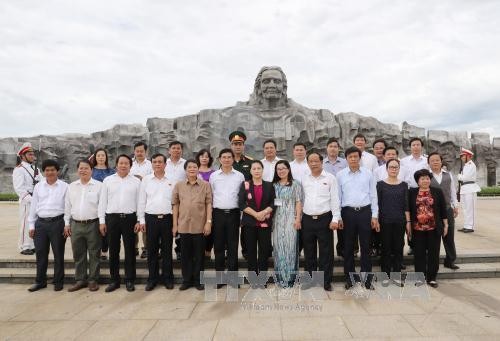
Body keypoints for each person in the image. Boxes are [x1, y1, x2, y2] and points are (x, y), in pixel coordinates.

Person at [337, 147, 379, 290]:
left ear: (360, 158)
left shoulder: (368, 174)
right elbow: (338, 197)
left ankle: (366, 279)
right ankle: (350, 278)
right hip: (347, 213)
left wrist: (374, 216)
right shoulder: (340, 175)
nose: (353, 159)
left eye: (356, 156)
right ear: (346, 158)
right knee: (348, 247)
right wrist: (338, 217)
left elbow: (373, 195)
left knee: (366, 247)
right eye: (350, 157)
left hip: (365, 213)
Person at [98, 154, 141, 292]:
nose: (123, 165)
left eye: (126, 163)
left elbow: (140, 202)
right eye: (121, 163)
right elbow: (103, 202)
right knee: (113, 251)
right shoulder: (108, 180)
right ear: (116, 165)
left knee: (130, 251)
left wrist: (139, 220)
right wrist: (102, 221)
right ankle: (114, 280)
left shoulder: (136, 181)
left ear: (130, 165)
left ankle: (129, 280)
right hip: (112, 219)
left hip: (130, 219)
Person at [301, 150, 340, 291]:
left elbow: (335, 199)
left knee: (326, 252)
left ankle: (326, 281)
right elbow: (301, 199)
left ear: (321, 162)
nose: (313, 164)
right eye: (310, 161)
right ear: (307, 163)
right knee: (309, 251)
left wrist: (335, 218)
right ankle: (310, 280)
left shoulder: (330, 178)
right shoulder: (304, 179)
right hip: (307, 219)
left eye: (316, 161)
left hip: (325, 219)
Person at [27, 159, 68, 292]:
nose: (50, 172)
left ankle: (58, 281)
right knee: (40, 254)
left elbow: (68, 207)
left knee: (58, 253)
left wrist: (67, 224)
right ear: (44, 172)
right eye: (47, 170)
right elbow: (33, 206)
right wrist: (31, 225)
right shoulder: (38, 186)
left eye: (52, 170)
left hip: (58, 223)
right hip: (41, 224)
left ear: (57, 171)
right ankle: (40, 281)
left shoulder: (65, 186)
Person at [172, 160, 213, 290]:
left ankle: (198, 280)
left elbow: (209, 204)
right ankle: (186, 280)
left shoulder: (205, 185)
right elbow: (175, 204)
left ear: (198, 169)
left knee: (199, 255)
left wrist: (208, 222)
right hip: (183, 225)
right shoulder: (179, 185)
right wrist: (175, 224)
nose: (192, 169)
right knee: (185, 255)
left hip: (200, 225)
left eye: (194, 167)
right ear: (185, 170)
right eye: (189, 167)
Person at [137, 153, 175, 291]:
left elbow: (175, 202)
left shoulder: (172, 180)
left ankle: (167, 278)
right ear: (151, 164)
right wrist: (141, 220)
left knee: (166, 250)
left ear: (165, 164)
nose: (157, 164)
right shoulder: (146, 180)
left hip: (167, 219)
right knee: (151, 250)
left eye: (160, 162)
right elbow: (141, 201)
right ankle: (152, 279)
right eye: (155, 162)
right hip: (151, 219)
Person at [64, 159, 103, 292]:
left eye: (86, 168)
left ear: (91, 170)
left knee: (94, 253)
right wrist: (66, 224)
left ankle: (93, 280)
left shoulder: (99, 186)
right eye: (81, 168)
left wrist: (102, 223)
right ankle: (80, 279)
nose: (83, 170)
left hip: (93, 224)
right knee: (78, 254)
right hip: (76, 224)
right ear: (77, 170)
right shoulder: (72, 186)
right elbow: (67, 206)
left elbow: (102, 206)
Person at [209, 149, 245, 287]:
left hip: (234, 214)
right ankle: (219, 278)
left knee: (233, 246)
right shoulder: (214, 176)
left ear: (232, 159)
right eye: (223, 157)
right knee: (218, 247)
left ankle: (233, 278)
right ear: (219, 159)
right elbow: (211, 195)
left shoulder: (240, 176)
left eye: (229, 157)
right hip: (218, 214)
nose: (226, 159)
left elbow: (241, 197)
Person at [238, 160, 275, 287]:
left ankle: (262, 279)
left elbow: (273, 203)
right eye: (254, 168)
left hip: (265, 223)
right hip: (249, 224)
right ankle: (254, 279)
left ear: (262, 170)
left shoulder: (269, 185)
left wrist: (263, 213)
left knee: (264, 252)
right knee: (251, 252)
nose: (257, 171)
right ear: (250, 171)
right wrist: (256, 214)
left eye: (259, 168)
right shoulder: (245, 184)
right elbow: (241, 204)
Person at [409, 169, 448, 288]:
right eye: (422, 179)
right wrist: (408, 226)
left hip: (434, 228)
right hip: (417, 229)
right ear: (418, 181)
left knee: (433, 253)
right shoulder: (411, 192)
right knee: (419, 254)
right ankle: (420, 278)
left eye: (427, 178)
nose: (425, 181)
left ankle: (432, 278)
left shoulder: (437, 191)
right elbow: (408, 210)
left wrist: (446, 225)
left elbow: (442, 209)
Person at [376, 159, 410, 285]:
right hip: (384, 221)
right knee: (385, 248)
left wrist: (408, 222)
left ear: (399, 169)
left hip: (400, 221)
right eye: (391, 167)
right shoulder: (380, 184)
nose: (394, 169)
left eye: (396, 167)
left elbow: (406, 205)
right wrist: (377, 220)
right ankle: (385, 275)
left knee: (398, 248)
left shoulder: (404, 185)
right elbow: (377, 204)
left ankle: (396, 275)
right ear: (386, 169)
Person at [272, 160, 303, 288]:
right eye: (278, 169)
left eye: (283, 168)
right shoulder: (273, 185)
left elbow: (298, 202)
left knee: (290, 248)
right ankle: (280, 278)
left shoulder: (295, 184)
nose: (281, 171)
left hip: (291, 220)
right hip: (277, 221)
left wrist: (297, 219)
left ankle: (290, 278)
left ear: (289, 169)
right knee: (279, 249)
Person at [428, 152, 460, 270]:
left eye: (437, 160)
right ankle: (432, 262)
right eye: (432, 160)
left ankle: (450, 260)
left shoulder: (448, 175)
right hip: (431, 211)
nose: (435, 162)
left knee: (449, 236)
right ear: (429, 163)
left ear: (441, 162)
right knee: (433, 238)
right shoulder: (427, 176)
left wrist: (455, 205)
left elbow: (452, 191)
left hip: (447, 208)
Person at [12, 142, 42, 255]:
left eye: (32, 154)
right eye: (29, 154)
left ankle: (32, 245)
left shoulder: (36, 168)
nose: (32, 156)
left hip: (36, 199)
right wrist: (31, 199)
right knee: (26, 223)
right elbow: (19, 189)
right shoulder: (19, 169)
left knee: (35, 223)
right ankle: (24, 246)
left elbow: (42, 183)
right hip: (27, 201)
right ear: (22, 156)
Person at [400, 137, 428, 256]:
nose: (416, 147)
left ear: (421, 146)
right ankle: (412, 245)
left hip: (423, 191)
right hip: (409, 191)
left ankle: (423, 245)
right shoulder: (404, 161)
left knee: (423, 217)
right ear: (410, 147)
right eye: (413, 145)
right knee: (410, 218)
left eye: (418, 144)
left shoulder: (426, 161)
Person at [229, 131, 253, 260]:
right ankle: (230, 251)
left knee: (246, 226)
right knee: (231, 227)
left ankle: (246, 250)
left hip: (246, 200)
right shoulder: (226, 161)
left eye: (240, 144)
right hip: (230, 199)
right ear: (231, 145)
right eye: (235, 144)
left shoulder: (250, 162)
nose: (237, 146)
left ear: (244, 145)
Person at [323, 137, 349, 257]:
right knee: (326, 227)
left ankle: (342, 249)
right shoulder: (321, 163)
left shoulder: (344, 163)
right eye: (330, 146)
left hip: (342, 197)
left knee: (342, 225)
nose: (333, 148)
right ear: (327, 148)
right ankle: (327, 252)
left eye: (335, 146)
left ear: (338, 149)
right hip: (325, 199)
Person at [90, 148, 115, 260]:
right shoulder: (91, 171)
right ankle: (96, 250)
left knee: (106, 227)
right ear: (95, 157)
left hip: (109, 203)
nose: (101, 157)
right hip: (94, 203)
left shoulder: (111, 171)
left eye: (103, 155)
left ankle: (104, 251)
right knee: (95, 228)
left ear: (106, 157)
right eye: (98, 155)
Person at [130, 141, 153, 259]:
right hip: (131, 197)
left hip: (146, 197)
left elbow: (154, 179)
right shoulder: (129, 164)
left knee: (145, 224)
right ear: (134, 151)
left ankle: (146, 248)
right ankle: (133, 247)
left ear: (146, 152)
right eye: (137, 151)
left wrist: (142, 179)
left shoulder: (150, 164)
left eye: (141, 151)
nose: (139, 153)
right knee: (132, 223)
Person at [165, 141, 187, 260]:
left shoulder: (186, 164)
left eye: (178, 148)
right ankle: (164, 251)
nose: (176, 150)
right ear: (169, 150)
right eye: (173, 148)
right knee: (166, 226)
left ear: (181, 150)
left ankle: (179, 250)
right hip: (165, 200)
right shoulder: (164, 163)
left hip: (181, 201)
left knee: (180, 227)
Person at [196, 149, 216, 259]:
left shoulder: (213, 173)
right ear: (198, 158)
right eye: (202, 156)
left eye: (206, 156)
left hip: (209, 203)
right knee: (198, 227)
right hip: (196, 204)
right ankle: (199, 250)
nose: (204, 158)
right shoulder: (194, 171)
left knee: (210, 227)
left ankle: (208, 250)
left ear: (209, 159)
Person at [457, 147, 481, 233]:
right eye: (461, 156)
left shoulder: (471, 165)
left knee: (470, 209)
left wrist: (459, 176)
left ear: (468, 156)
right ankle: (466, 225)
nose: (462, 158)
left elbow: (465, 177)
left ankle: (470, 226)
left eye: (463, 156)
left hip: (470, 188)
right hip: (464, 188)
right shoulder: (466, 166)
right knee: (465, 209)